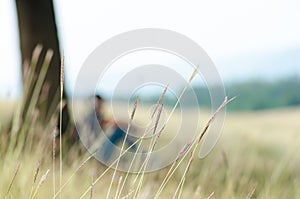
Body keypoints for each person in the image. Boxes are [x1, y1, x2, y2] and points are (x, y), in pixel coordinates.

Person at [90, 95, 136, 161]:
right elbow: (113, 123)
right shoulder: (94, 117)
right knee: (120, 132)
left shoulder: (96, 115)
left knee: (121, 131)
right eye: (99, 103)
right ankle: (137, 153)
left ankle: (136, 153)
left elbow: (111, 122)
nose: (101, 105)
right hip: (96, 147)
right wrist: (129, 124)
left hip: (98, 146)